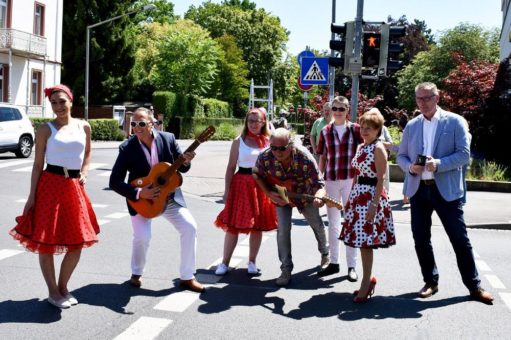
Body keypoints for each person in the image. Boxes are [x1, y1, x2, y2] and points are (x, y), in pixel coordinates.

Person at [397, 82, 493, 304]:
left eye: (427, 98)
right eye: (419, 99)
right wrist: (410, 167)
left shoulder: (455, 121)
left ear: (437, 97)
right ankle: (430, 281)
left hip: (446, 192)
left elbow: (463, 155)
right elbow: (401, 156)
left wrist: (438, 163)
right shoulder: (412, 125)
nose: (423, 103)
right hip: (419, 190)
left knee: (459, 239)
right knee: (421, 239)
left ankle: (474, 286)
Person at [9, 84, 100, 309]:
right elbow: (38, 164)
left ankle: (63, 286)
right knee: (47, 242)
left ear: (71, 100)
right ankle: (52, 292)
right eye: (54, 103)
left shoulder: (84, 126)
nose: (58, 106)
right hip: (50, 185)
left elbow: (87, 152)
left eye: (62, 101)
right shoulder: (45, 129)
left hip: (74, 187)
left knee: (77, 241)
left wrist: (85, 172)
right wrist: (32, 197)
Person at [109, 107, 205, 293]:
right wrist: (138, 194)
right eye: (134, 124)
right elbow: (114, 181)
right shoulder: (127, 148)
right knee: (142, 237)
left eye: (142, 123)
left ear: (152, 124)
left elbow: (182, 170)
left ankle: (187, 276)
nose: (137, 127)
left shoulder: (168, 139)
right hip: (142, 201)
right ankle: (136, 273)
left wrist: (186, 161)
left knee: (190, 227)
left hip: (169, 198)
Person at [253, 128, 329, 286]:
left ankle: (325, 253)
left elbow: (319, 183)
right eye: (273, 148)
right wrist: (268, 193)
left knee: (316, 223)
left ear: (291, 145)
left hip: (304, 195)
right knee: (283, 230)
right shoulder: (265, 157)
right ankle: (286, 269)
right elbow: (256, 175)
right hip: (281, 197)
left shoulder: (304, 157)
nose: (277, 152)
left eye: (282, 148)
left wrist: (320, 196)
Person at [339, 109, 396, 302]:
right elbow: (357, 174)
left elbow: (380, 179)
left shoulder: (378, 148)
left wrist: (374, 204)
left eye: (369, 128)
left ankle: (366, 282)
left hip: (371, 197)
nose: (364, 131)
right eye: (362, 127)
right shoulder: (362, 146)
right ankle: (367, 279)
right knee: (362, 241)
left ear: (378, 129)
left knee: (365, 243)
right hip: (358, 197)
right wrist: (349, 200)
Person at [214, 108, 278, 276]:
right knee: (233, 226)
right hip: (241, 183)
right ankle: (224, 263)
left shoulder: (268, 141)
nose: (253, 124)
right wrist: (226, 191)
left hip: (260, 185)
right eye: (250, 121)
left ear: (263, 122)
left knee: (257, 225)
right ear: (246, 122)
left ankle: (252, 262)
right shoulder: (238, 141)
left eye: (257, 121)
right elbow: (230, 167)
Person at [316, 96, 363, 281]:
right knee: (333, 223)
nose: (337, 111)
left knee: (350, 222)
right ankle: (334, 263)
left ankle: (352, 266)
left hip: (351, 180)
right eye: (334, 108)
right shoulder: (325, 131)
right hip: (331, 181)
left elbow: (366, 150)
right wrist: (319, 179)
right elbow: (323, 157)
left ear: (347, 111)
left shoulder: (356, 129)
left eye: (341, 109)